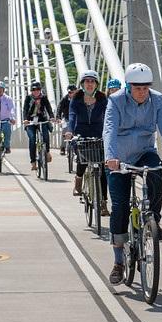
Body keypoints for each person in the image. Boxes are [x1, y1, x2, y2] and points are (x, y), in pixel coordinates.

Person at [104, 63, 162, 285]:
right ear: (128, 86)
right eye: (137, 88)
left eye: (145, 87)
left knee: (157, 177)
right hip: (118, 157)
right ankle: (118, 261)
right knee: (119, 206)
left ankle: (153, 222)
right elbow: (109, 130)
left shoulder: (156, 100)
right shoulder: (115, 101)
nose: (142, 92)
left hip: (144, 152)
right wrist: (110, 157)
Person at [65, 70, 109, 215]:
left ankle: (103, 203)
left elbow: (109, 117)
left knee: (102, 169)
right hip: (81, 132)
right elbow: (72, 117)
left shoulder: (103, 98)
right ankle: (78, 181)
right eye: (87, 81)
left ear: (96, 84)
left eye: (92, 81)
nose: (89, 84)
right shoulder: (76, 99)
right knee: (83, 161)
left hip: (98, 133)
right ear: (82, 83)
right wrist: (70, 131)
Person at [22, 81, 55, 171]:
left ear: (40, 90)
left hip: (42, 120)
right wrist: (25, 119)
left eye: (38, 89)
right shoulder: (28, 98)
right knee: (32, 139)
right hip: (30, 121)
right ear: (31, 91)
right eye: (33, 90)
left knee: (45, 135)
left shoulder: (43, 97)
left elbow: (48, 108)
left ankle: (47, 152)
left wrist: (51, 117)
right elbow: (25, 109)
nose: (36, 91)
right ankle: (33, 162)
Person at [56, 84, 78, 155]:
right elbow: (59, 108)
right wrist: (58, 117)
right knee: (65, 129)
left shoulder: (80, 98)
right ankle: (62, 148)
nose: (71, 94)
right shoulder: (65, 99)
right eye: (70, 92)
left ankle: (77, 148)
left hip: (77, 118)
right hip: (66, 118)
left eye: (73, 92)